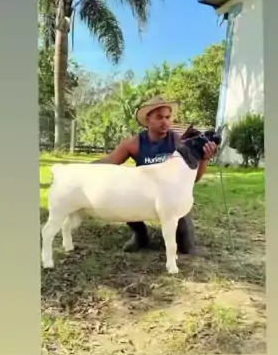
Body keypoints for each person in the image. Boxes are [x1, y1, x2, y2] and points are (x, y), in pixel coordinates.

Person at [92, 95, 218, 254]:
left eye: (168, 117)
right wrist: (82, 170)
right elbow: (110, 161)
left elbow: (195, 179)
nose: (165, 122)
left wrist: (204, 158)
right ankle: (140, 234)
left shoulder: (178, 142)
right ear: (148, 119)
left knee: (186, 247)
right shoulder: (135, 143)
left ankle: (183, 233)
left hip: (172, 198)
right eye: (159, 117)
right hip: (144, 195)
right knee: (122, 195)